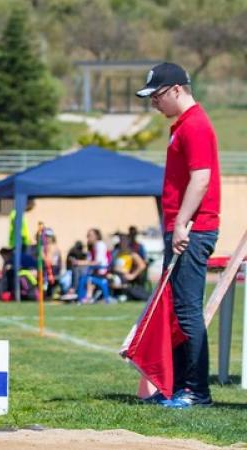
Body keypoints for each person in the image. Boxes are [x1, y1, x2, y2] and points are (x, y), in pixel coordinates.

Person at [136, 62, 220, 408]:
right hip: (183, 227)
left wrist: (183, 224)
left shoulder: (195, 125)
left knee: (187, 311)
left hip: (193, 229)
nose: (153, 104)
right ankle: (179, 387)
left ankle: (196, 391)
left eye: (156, 96)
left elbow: (201, 179)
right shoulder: (181, 126)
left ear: (176, 90)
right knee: (179, 310)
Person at [75, 228, 111, 304]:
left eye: (90, 235)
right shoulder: (92, 247)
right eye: (87, 236)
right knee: (80, 273)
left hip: (102, 271)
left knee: (86, 278)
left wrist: (80, 263)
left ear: (96, 236)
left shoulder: (100, 245)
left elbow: (97, 262)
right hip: (95, 270)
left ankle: (88, 297)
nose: (88, 238)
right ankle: (84, 295)